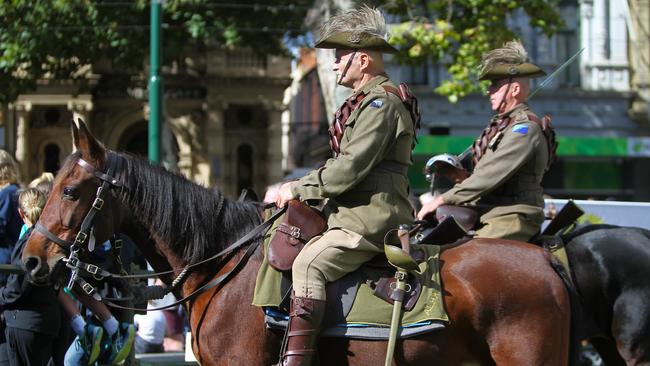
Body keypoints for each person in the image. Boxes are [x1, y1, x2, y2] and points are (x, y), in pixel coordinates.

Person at [274, 6, 416, 365]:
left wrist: (295, 189)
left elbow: (349, 168)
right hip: (352, 211)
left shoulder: (381, 104)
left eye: (340, 58)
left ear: (363, 60)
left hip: (370, 218)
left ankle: (298, 361)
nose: (335, 64)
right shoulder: (366, 102)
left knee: (308, 264)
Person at [417, 40, 557, 242]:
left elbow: (490, 176)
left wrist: (442, 199)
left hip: (512, 215)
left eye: (495, 85)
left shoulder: (524, 129)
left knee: (470, 259)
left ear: (514, 89)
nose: (488, 91)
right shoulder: (504, 125)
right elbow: (489, 176)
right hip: (488, 210)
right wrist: (461, 177)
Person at [0, 188, 60, 366]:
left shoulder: (31, 241)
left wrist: (1, 296)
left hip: (25, 323)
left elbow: (18, 288)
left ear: (20, 213)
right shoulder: (54, 240)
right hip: (48, 320)